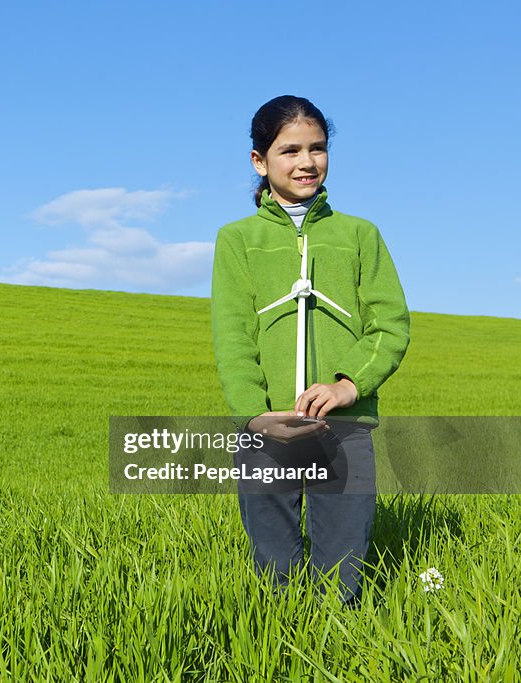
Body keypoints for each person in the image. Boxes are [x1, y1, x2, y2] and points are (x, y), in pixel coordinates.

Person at [210, 95, 410, 604]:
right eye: (290, 150)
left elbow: (390, 326)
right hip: (268, 429)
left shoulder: (359, 235)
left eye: (317, 148)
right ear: (260, 161)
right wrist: (256, 416)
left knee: (341, 578)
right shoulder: (237, 240)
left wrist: (348, 386)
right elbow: (232, 336)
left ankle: (338, 655)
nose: (306, 162)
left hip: (344, 429)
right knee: (275, 577)